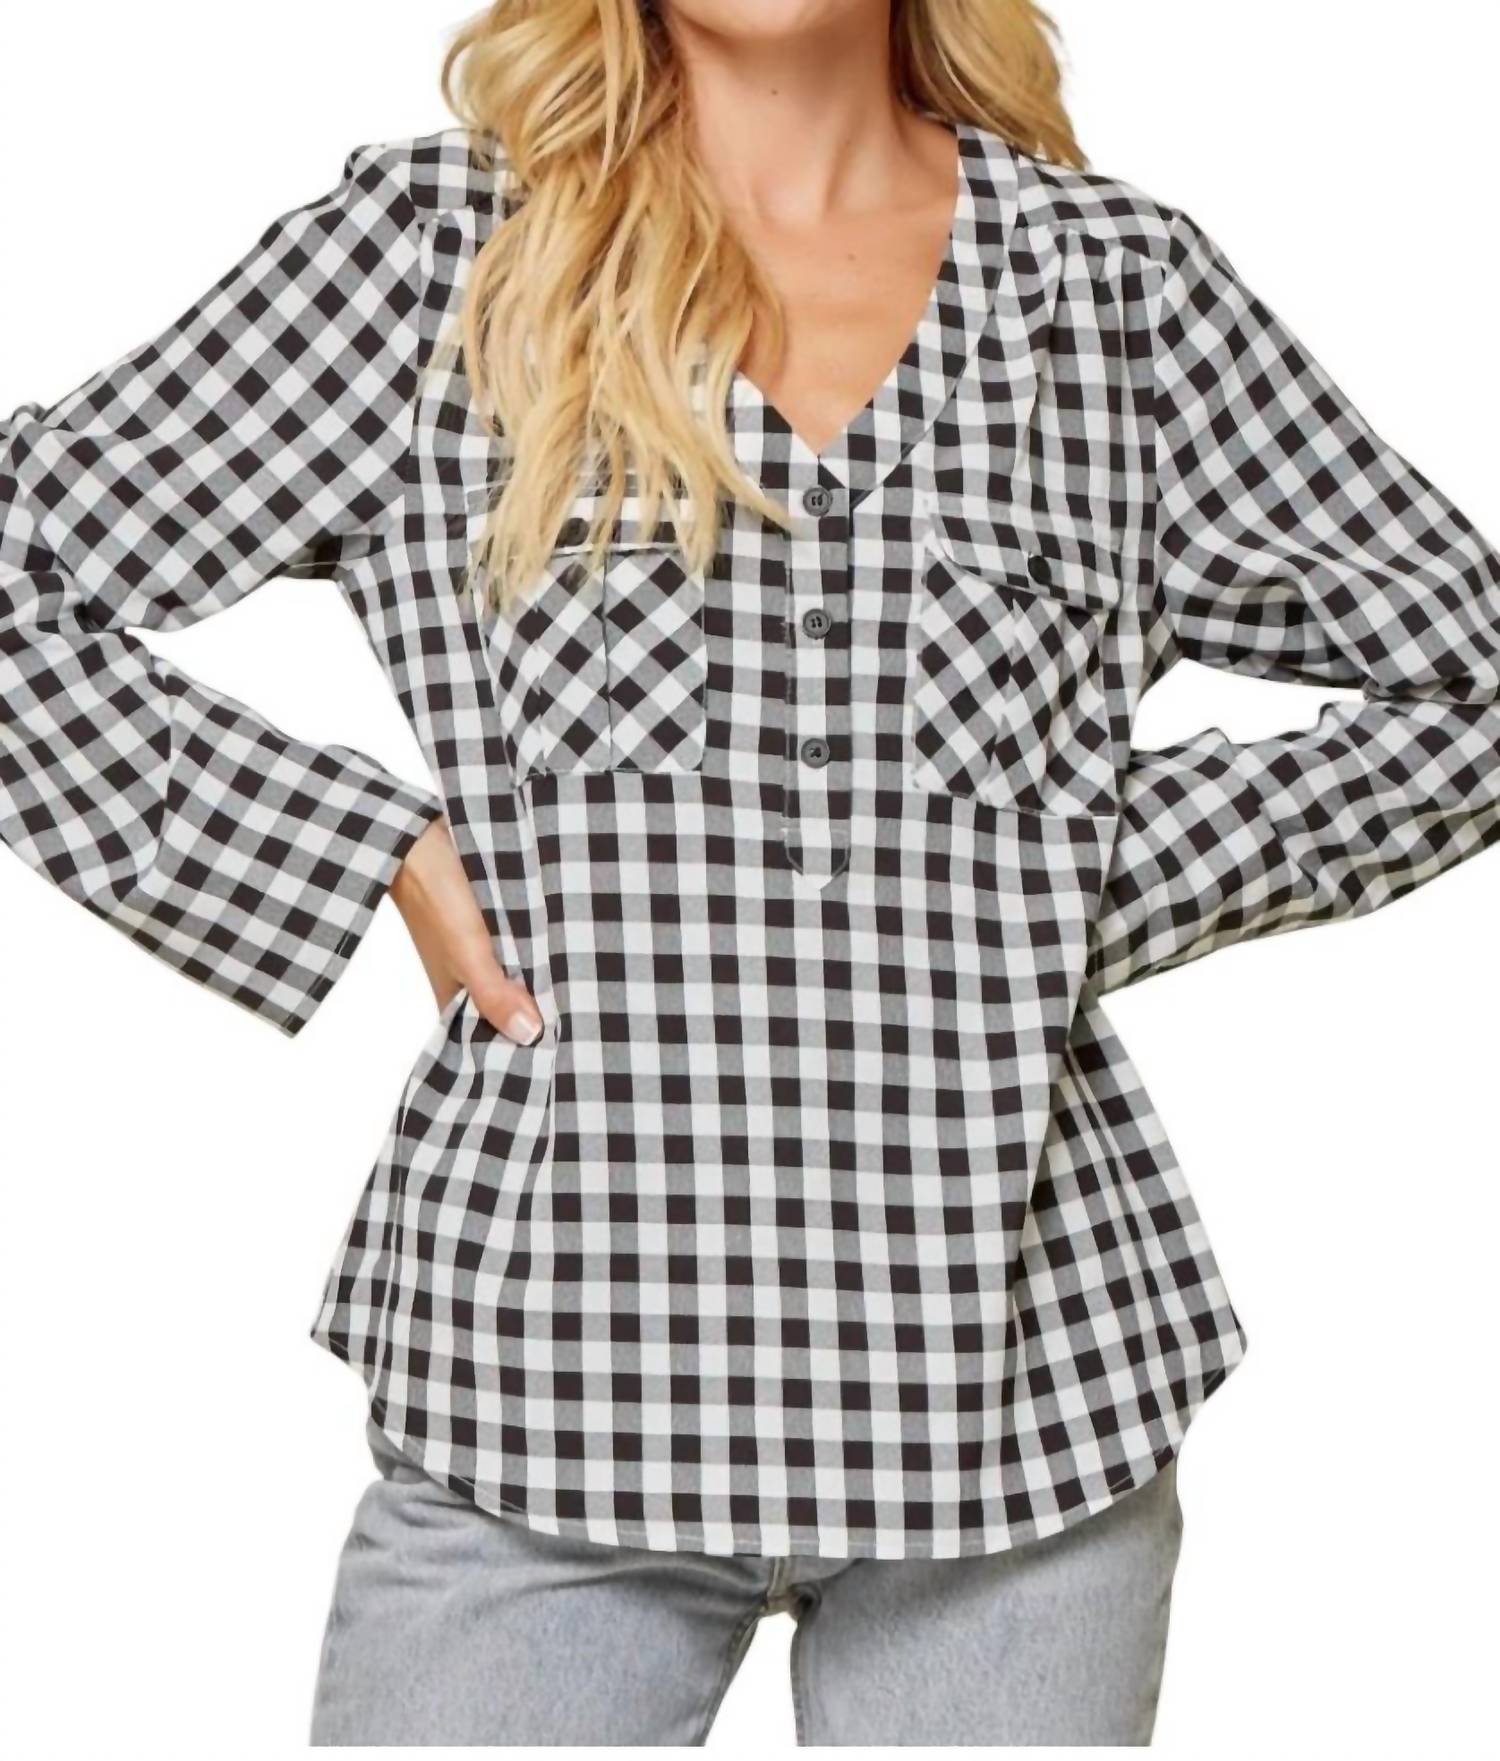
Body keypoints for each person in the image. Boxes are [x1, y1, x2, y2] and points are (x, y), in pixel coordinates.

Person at [4, 0, 1498, 1747]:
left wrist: (1088, 867)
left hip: (1022, 1407)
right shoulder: (432, 258)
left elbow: (1469, 681)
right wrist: (364, 851)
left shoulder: (1118, 293)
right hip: (545, 1390)